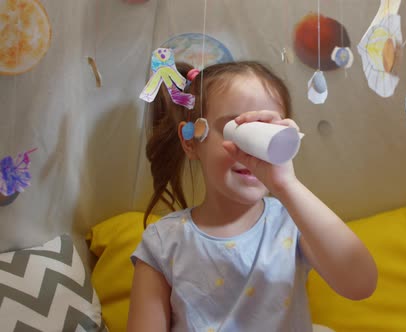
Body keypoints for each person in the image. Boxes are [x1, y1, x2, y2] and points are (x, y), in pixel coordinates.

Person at [128, 60, 377, 332]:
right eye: (235, 129)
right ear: (191, 141)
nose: (252, 150)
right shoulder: (164, 242)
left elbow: (361, 283)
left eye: (265, 130)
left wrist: (287, 185)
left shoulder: (291, 222)